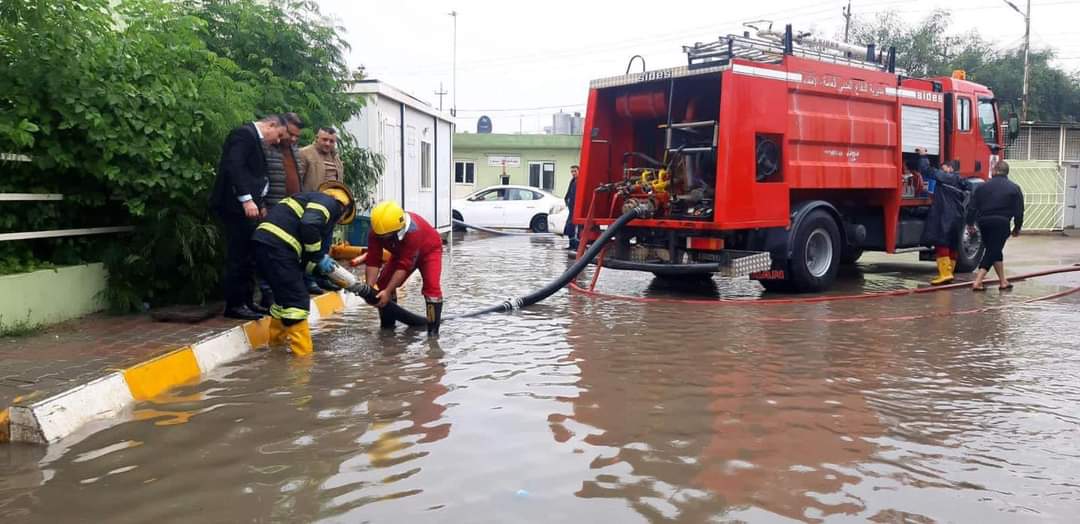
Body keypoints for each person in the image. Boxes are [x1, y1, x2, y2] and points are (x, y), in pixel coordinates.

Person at [251, 181, 356, 355]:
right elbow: (309, 225)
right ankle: (303, 364)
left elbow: (305, 257)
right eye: (339, 218)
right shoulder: (330, 203)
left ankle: (275, 351)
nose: (336, 221)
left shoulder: (307, 199)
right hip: (279, 248)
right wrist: (318, 257)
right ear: (343, 208)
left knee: (283, 301)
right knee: (298, 302)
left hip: (264, 245)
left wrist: (319, 268)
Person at [209, 114, 287, 320]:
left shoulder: (254, 138)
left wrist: (259, 202)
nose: (277, 141)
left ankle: (247, 301)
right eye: (278, 135)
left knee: (249, 254)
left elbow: (256, 175)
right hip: (235, 207)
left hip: (250, 207)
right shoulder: (243, 134)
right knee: (239, 255)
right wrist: (246, 199)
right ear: (271, 125)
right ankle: (235, 305)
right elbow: (235, 167)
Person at [360, 201, 444, 336]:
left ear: (397, 230)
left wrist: (387, 292)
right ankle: (387, 329)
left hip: (429, 251)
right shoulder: (377, 231)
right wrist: (369, 289)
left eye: (386, 237)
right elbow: (373, 259)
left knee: (431, 289)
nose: (383, 239)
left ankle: (433, 335)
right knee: (383, 283)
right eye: (381, 237)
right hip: (401, 252)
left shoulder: (413, 232)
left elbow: (404, 266)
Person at [968, 160, 1025, 291]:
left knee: (994, 250)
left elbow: (972, 207)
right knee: (992, 251)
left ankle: (1003, 281)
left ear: (994, 170)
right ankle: (978, 281)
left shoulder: (982, 187)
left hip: (983, 223)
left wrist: (970, 223)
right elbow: (1019, 211)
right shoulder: (1014, 188)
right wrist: (1017, 228)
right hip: (1001, 223)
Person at [913, 149, 966, 286]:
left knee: (941, 242)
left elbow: (927, 171)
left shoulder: (947, 177)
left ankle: (945, 274)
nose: (941, 171)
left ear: (950, 168)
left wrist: (923, 155)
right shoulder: (961, 181)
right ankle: (949, 272)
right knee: (953, 245)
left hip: (945, 216)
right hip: (957, 216)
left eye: (943, 168)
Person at [299, 127, 345, 192]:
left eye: (331, 141)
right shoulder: (304, 153)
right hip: (312, 199)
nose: (327, 144)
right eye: (324, 139)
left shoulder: (336, 157)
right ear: (316, 138)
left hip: (334, 199)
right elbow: (297, 182)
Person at [564, 165, 579, 250]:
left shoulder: (580, 181)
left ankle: (576, 245)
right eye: (572, 172)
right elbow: (569, 192)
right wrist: (566, 199)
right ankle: (571, 244)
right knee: (570, 226)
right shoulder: (573, 181)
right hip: (571, 207)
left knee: (576, 227)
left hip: (577, 208)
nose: (573, 173)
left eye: (575, 171)